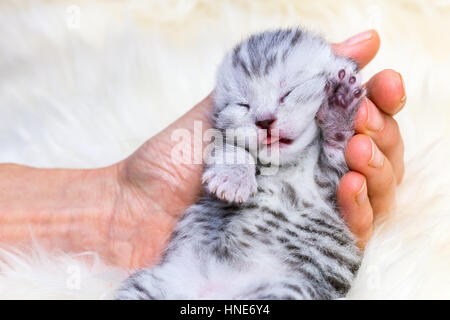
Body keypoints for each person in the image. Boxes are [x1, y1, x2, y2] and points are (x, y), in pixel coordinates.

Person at [0, 30, 405, 270]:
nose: (264, 116)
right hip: (198, 260)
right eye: (242, 107)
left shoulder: (328, 112)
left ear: (335, 77)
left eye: (289, 93)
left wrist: (336, 134)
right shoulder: (233, 144)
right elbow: (224, 148)